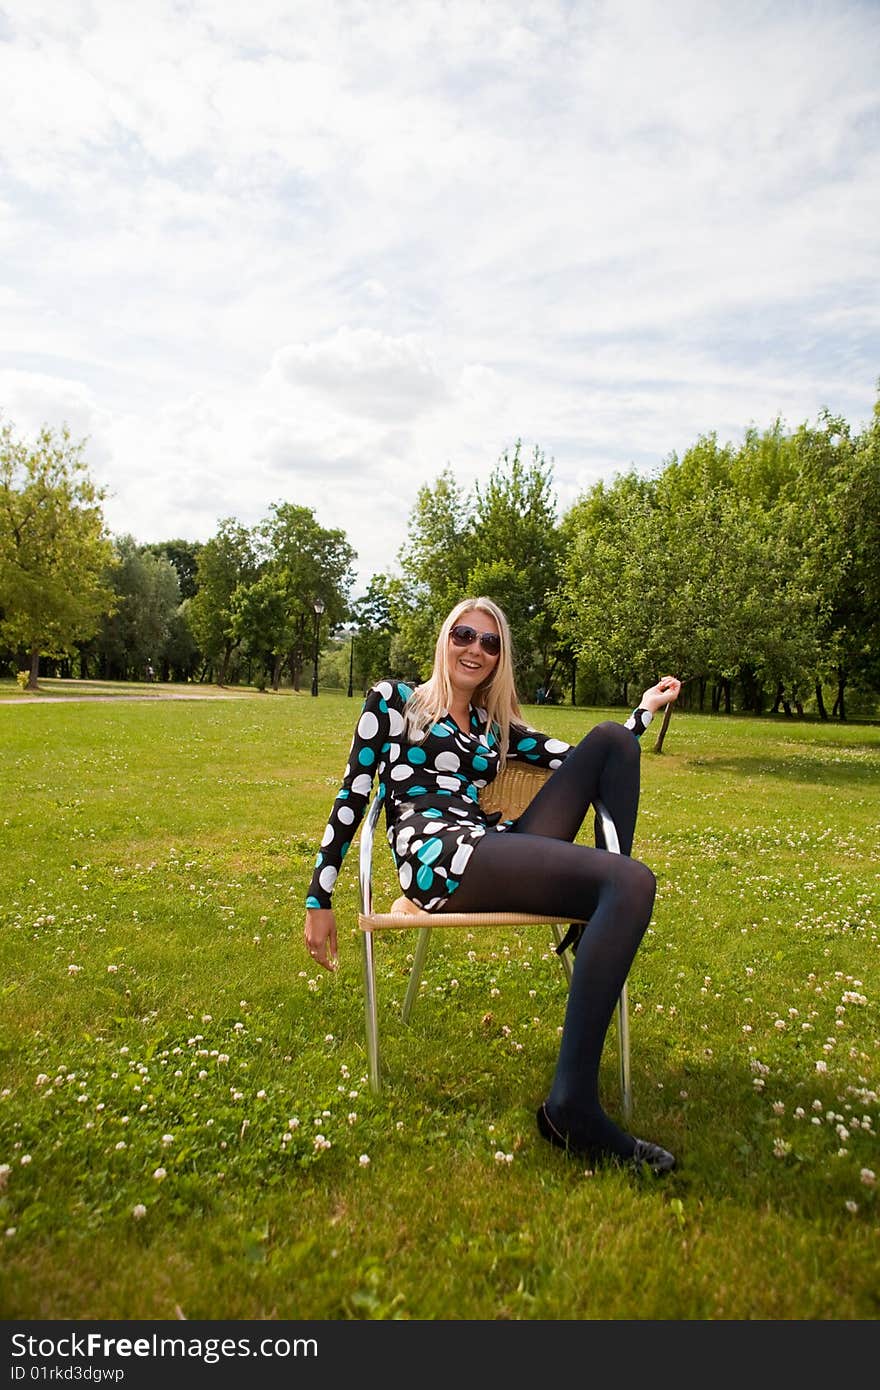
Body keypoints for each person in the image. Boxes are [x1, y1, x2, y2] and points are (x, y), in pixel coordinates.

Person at [304, 596, 681, 1174]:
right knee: (628, 883)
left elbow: (582, 759)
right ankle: (571, 1108)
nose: (475, 649)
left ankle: (597, 912)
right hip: (439, 857)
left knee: (612, 741)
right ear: (444, 639)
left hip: (490, 842)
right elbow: (353, 795)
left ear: (499, 657)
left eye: (490, 642)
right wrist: (319, 897)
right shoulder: (393, 701)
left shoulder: (492, 724)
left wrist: (642, 714)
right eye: (464, 635)